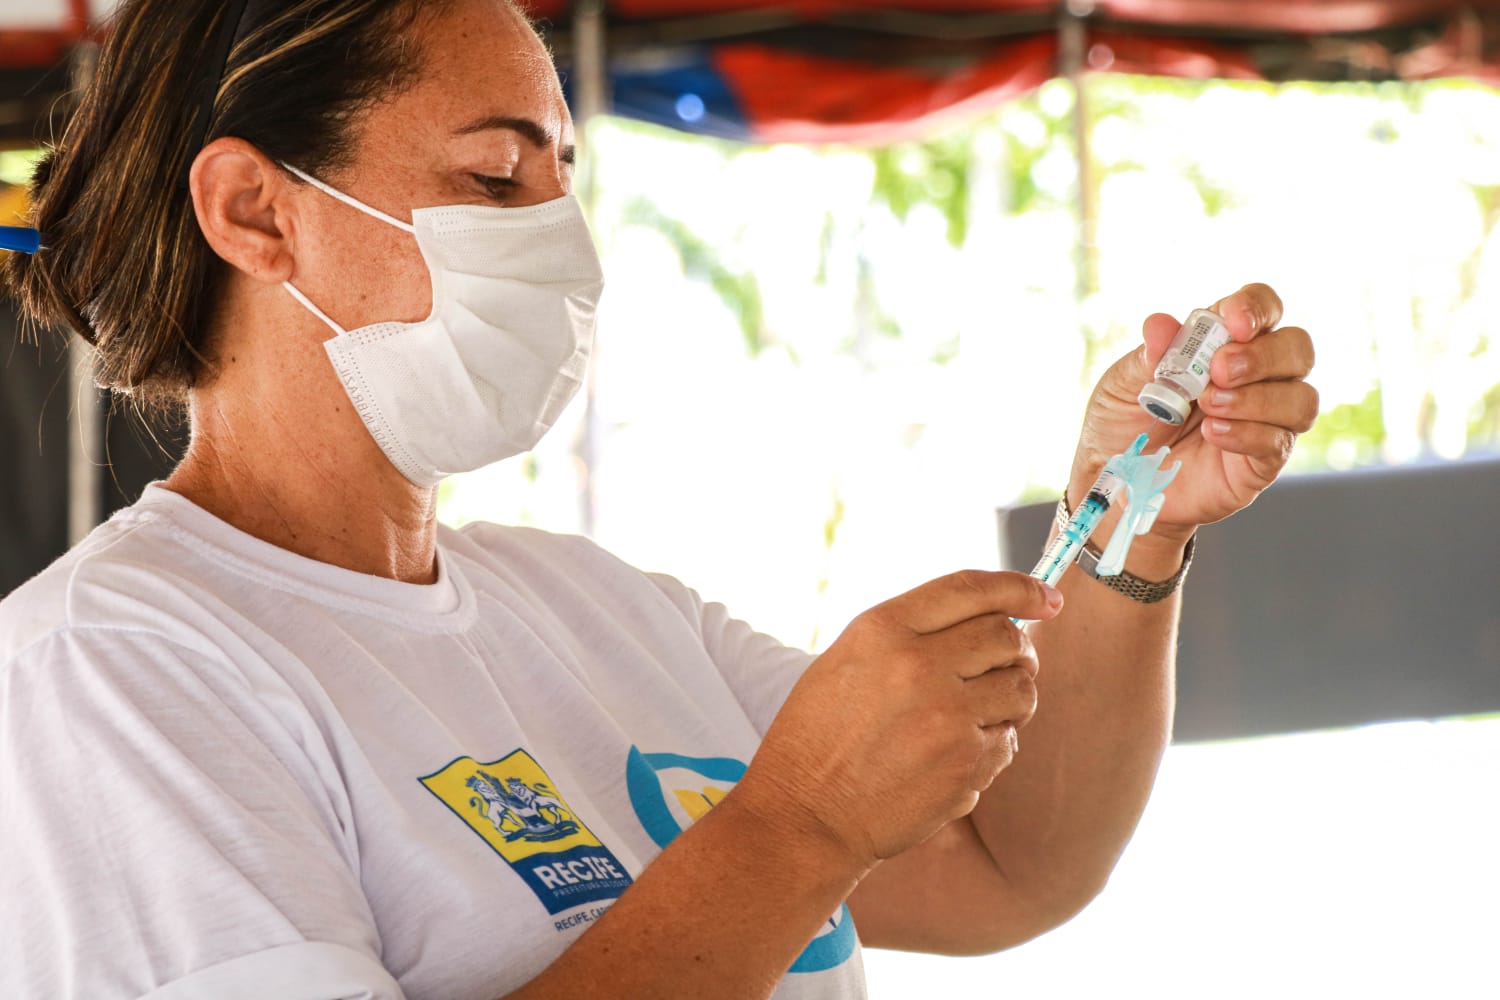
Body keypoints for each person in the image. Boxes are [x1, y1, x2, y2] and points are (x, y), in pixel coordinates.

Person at [0, 0, 1319, 997]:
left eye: (563, 183)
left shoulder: (600, 611)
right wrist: (796, 827)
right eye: (494, 179)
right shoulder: (112, 669)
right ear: (257, 212)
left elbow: (1005, 866)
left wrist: (1132, 526)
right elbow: (812, 828)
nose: (556, 245)